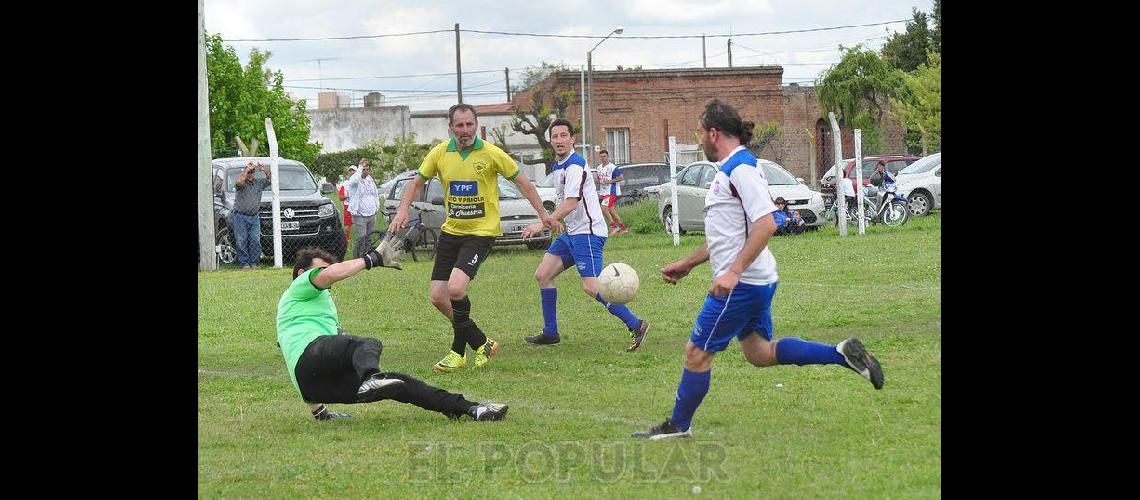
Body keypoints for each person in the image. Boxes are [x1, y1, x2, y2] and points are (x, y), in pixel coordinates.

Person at [632, 99, 884, 440]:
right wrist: (689, 263)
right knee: (760, 353)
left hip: (743, 284)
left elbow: (765, 224)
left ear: (714, 133)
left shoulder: (741, 170)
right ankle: (841, 354)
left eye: (699, 132)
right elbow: (730, 235)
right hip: (755, 281)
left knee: (696, 353)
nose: (698, 139)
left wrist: (733, 272)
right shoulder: (734, 169)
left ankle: (678, 425)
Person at [390, 103, 561, 373]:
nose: (465, 130)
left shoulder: (491, 153)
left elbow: (524, 184)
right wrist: (402, 209)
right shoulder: (440, 153)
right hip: (451, 232)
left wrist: (543, 215)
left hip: (481, 233)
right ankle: (481, 342)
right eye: (459, 125)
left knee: (456, 289)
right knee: (438, 296)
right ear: (450, 128)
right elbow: (415, 184)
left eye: (469, 124)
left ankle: (458, 352)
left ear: (476, 125)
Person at [277, 245, 509, 422]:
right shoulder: (298, 287)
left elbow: (295, 361)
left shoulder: (309, 308)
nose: (326, 273)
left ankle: (470, 408)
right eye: (320, 268)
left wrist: (320, 412)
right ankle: (371, 378)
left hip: (313, 386)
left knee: (400, 383)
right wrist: (371, 259)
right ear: (301, 273)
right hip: (310, 360)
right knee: (367, 345)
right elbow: (329, 275)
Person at [521, 119, 650, 350]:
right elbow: (566, 203)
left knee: (592, 286)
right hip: (573, 233)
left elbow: (571, 202)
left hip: (588, 234)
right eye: (555, 136)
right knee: (543, 275)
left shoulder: (575, 165)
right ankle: (551, 333)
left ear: (573, 139)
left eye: (564, 136)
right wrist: (559, 221)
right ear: (551, 140)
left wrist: (543, 224)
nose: (559, 140)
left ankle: (636, 324)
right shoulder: (558, 166)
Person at [233, 160, 271, 269]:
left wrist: (265, 170)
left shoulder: (259, 183)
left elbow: (271, 179)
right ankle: (244, 264)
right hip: (240, 216)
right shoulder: (241, 182)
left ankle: (254, 263)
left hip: (254, 216)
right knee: (241, 240)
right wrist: (246, 170)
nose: (251, 174)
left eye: (252, 171)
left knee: (255, 240)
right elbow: (239, 182)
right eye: (249, 172)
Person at [347, 159, 379, 258]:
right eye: (363, 169)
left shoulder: (370, 179)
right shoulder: (354, 180)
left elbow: (375, 194)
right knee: (361, 238)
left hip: (371, 214)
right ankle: (357, 258)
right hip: (360, 214)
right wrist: (359, 168)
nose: (365, 171)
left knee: (369, 237)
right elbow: (355, 180)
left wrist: (376, 206)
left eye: (367, 169)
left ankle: (367, 257)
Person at [594, 150, 628, 235]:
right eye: (601, 156)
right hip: (604, 192)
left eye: (604, 156)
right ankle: (623, 229)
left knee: (603, 207)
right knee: (611, 211)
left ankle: (614, 226)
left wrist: (611, 181)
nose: (603, 158)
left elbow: (621, 177)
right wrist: (596, 181)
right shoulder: (598, 168)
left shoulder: (612, 167)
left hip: (612, 191)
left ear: (608, 156)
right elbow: (599, 179)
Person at [338, 165, 356, 244]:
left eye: (353, 170)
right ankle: (347, 240)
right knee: (347, 225)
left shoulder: (361, 182)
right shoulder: (345, 184)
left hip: (358, 206)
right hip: (348, 206)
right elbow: (340, 198)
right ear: (348, 173)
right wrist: (347, 196)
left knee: (359, 223)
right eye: (350, 171)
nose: (352, 172)